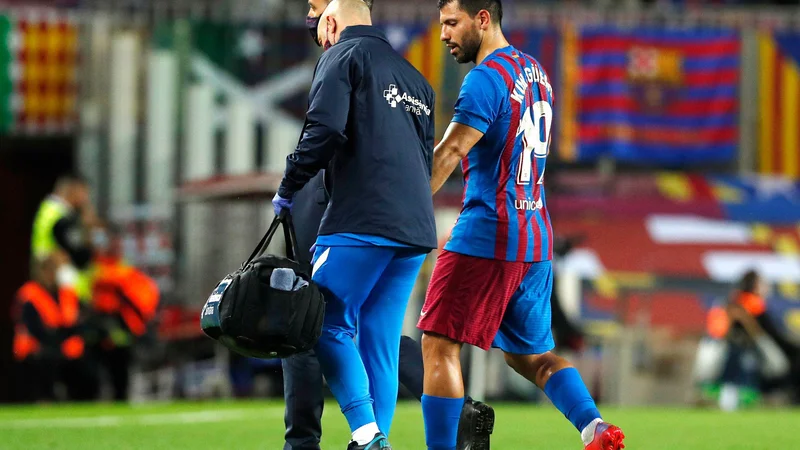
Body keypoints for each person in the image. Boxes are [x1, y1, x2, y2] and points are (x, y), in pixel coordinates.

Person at [279, 1, 494, 448]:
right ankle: (375, 440)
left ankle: (366, 433)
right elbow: (422, 158)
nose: (319, 36)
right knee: (379, 340)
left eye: (319, 24)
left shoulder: (340, 56)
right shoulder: (417, 80)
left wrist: (289, 183)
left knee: (320, 322)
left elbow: (324, 130)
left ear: (333, 20)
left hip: (360, 219)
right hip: (414, 228)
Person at [416, 1, 625, 450]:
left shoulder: (484, 79)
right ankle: (595, 428)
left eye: (452, 23)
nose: (444, 35)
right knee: (532, 356)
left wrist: (405, 209)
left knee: (438, 343)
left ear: (483, 18)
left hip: (487, 233)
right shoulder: (536, 74)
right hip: (534, 237)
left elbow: (452, 152)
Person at [12, 256, 87, 402]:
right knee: (45, 362)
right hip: (36, 349)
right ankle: (44, 399)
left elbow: (77, 321)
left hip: (62, 346)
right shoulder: (29, 294)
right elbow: (34, 328)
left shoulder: (66, 293)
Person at [30, 173, 97, 302]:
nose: (86, 199)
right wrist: (88, 229)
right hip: (63, 284)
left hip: (49, 280)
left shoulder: (48, 210)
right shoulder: (63, 218)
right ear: (74, 190)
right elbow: (80, 254)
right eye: (84, 193)